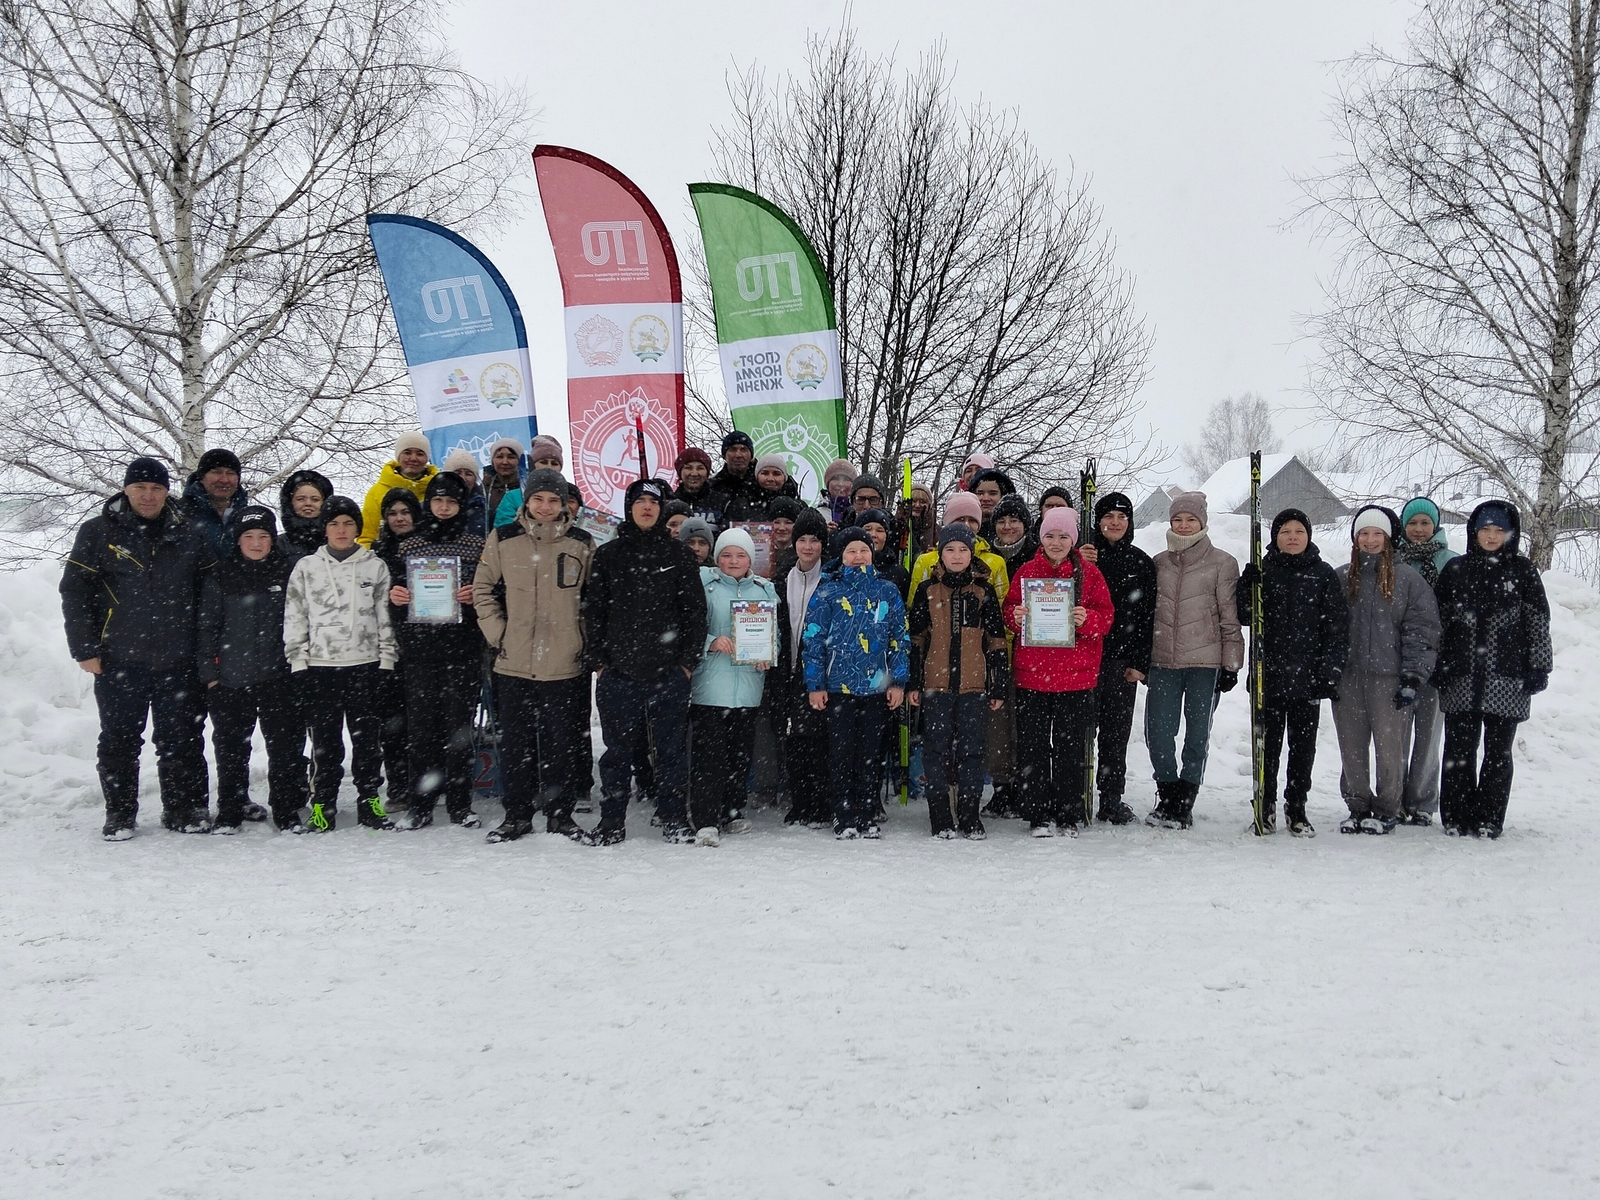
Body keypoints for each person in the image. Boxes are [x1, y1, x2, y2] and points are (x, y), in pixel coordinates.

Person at [61, 457, 216, 839]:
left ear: (167, 492)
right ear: (126, 490)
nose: (148, 496)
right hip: (119, 659)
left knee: (181, 739)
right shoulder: (98, 532)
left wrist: (205, 648)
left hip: (178, 660)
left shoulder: (190, 533)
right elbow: (75, 591)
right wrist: (85, 649)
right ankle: (120, 814)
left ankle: (182, 809)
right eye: (140, 488)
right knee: (119, 741)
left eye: (156, 488)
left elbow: (210, 592)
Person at [472, 468, 594, 843]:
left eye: (553, 500)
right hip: (515, 661)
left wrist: (583, 642)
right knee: (517, 745)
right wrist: (500, 635)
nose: (545, 506)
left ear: (564, 505)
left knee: (562, 744)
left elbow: (594, 600)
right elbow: (482, 589)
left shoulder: (581, 542)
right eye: (539, 499)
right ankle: (517, 815)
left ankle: (561, 815)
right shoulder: (504, 538)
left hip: (564, 662)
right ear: (527, 501)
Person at [584, 478, 708, 845]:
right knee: (617, 754)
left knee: (670, 752)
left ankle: (673, 818)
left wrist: (686, 663)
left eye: (653, 502)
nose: (647, 507)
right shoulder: (608, 556)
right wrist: (600, 662)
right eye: (640, 501)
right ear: (630, 507)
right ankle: (611, 823)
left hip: (669, 673)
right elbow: (592, 613)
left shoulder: (678, 556)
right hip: (619, 672)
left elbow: (694, 615)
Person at [1433, 501, 1551, 839]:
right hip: (1461, 675)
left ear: (1510, 534)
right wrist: (1438, 663)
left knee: (1498, 753)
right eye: (1486, 529)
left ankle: (1489, 817)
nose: (1491, 535)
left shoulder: (1523, 571)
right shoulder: (1456, 569)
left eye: (1499, 530)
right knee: (1459, 751)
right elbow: (1438, 623)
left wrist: (1539, 666)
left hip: (1507, 677)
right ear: (1474, 531)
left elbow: (1538, 622)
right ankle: (1456, 816)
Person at [284, 496, 399, 832]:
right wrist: (298, 660)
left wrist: (387, 658)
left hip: (365, 664)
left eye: (348, 523)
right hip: (320, 668)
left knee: (367, 742)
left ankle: (369, 801)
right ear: (325, 528)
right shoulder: (306, 567)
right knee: (325, 745)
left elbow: (384, 616)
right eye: (334, 523)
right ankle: (323, 805)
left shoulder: (374, 566)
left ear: (357, 528)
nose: (341, 530)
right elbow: (295, 614)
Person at [1233, 508, 1347, 836]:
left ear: (1309, 536)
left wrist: (1329, 672)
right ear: (1275, 537)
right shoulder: (1264, 571)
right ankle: (1265, 804)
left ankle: (1296, 807)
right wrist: (1247, 585)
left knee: (1302, 749)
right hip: (1267, 676)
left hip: (1307, 680)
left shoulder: (1323, 574)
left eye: (1299, 531)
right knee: (1266, 746)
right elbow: (1244, 615)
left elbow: (1336, 628)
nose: (1292, 537)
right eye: (1285, 532)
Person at [1002, 506, 1115, 836]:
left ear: (1073, 539)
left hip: (1075, 677)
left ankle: (1068, 812)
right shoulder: (1026, 573)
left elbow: (1106, 617)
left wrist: (1086, 620)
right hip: (1032, 674)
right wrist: (1016, 616)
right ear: (1041, 537)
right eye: (1050, 535)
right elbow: (1009, 610)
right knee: (1033, 748)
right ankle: (1038, 813)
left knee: (1070, 749)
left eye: (1063, 536)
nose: (1056, 542)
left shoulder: (1089, 575)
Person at [196, 506, 308, 833]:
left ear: (273, 540)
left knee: (285, 749)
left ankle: (286, 810)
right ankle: (229, 811)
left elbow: (302, 622)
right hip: (230, 681)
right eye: (249, 536)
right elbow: (207, 627)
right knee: (231, 751)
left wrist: (298, 668)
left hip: (279, 678)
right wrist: (211, 675)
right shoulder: (221, 574)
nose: (256, 543)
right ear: (238, 540)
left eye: (263, 536)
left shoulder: (290, 573)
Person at [385, 472, 486, 830]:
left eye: (452, 501)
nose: (444, 508)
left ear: (462, 505)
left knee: (459, 731)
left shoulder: (477, 545)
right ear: (428, 504)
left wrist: (474, 599)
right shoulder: (408, 545)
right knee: (422, 732)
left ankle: (460, 804)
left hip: (462, 649)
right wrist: (398, 599)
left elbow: (493, 593)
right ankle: (421, 804)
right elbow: (394, 594)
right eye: (438, 501)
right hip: (421, 651)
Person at [1331, 506, 1441, 835]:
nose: (1370, 540)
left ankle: (1388, 807)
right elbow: (1328, 628)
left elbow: (1422, 630)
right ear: (1355, 538)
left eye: (1377, 534)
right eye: (1363, 533)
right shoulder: (1341, 577)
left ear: (1388, 538)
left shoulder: (1407, 579)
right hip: (1349, 677)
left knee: (1389, 746)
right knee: (1351, 745)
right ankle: (1357, 804)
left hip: (1389, 678)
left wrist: (1412, 676)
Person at [1144, 492, 1244, 829]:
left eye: (1191, 519)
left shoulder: (1222, 563)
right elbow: (1146, 616)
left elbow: (1229, 617)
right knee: (1158, 732)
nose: (1184, 526)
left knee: (1197, 734)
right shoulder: (1157, 563)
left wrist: (1231, 663)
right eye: (1178, 520)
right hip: (1162, 662)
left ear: (1202, 522)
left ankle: (1185, 800)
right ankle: (1167, 792)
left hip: (1205, 663)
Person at [802, 527, 909, 839]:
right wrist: (815, 684)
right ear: (841, 556)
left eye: (863, 550)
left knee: (870, 754)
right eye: (851, 551)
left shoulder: (887, 591)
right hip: (838, 689)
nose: (858, 555)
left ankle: (866, 811)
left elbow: (899, 639)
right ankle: (843, 814)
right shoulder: (827, 591)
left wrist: (898, 681)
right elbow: (813, 640)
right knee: (841, 753)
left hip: (876, 689)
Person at [908, 523, 1009, 838]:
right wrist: (913, 682)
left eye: (963, 549)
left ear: (971, 554)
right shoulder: (927, 591)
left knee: (972, 751)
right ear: (940, 553)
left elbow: (995, 641)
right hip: (935, 686)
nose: (956, 555)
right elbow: (916, 640)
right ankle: (940, 816)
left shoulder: (984, 590)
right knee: (934, 751)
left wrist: (999, 684)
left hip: (974, 687)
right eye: (950, 549)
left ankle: (969, 815)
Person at [687, 527, 779, 846]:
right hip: (711, 688)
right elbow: (687, 628)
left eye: (741, 555)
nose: (734, 560)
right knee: (709, 757)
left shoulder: (764, 590)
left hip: (748, 690)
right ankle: (705, 818)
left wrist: (768, 655)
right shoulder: (704, 585)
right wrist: (711, 642)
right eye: (727, 554)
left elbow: (775, 635)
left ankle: (732, 811)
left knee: (740, 756)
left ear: (750, 559)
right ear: (717, 558)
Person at [1076, 492, 1157, 825]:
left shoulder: (1142, 562)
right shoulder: (1082, 558)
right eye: (1108, 516)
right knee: (1079, 730)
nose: (1114, 523)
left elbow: (1147, 617)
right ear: (1097, 522)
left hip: (1120, 661)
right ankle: (1077, 792)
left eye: (1121, 517)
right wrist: (1079, 563)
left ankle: (1111, 797)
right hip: (1083, 657)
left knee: (1115, 732)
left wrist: (1140, 662)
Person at [1393, 496, 1459, 824]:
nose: (1419, 530)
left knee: (1429, 736)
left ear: (1435, 526)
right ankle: (1396, 797)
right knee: (1397, 734)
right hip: (1399, 661)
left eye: (1425, 523)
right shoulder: (1393, 559)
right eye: (1412, 523)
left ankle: (1421, 801)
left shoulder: (1451, 562)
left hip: (1439, 662)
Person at [772, 509, 832, 826]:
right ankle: (800, 802)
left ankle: (821, 803)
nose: (808, 546)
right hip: (788, 671)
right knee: (794, 739)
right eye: (803, 540)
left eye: (815, 540)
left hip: (821, 673)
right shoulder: (781, 578)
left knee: (819, 740)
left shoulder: (832, 579)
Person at [370, 489, 423, 816]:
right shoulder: (375, 555)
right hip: (387, 649)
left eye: (406, 511)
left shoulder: (429, 548)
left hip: (423, 646)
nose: (400, 518)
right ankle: (399, 786)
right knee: (392, 725)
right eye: (393, 513)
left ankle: (427, 783)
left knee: (422, 723)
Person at [908, 493, 1010, 605]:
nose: (966, 525)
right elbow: (915, 606)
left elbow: (1001, 608)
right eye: (960, 519)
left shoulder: (996, 562)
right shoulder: (926, 561)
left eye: (972, 520)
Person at [360, 431, 438, 548]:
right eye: (407, 453)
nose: (413, 458)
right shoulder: (377, 492)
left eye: (420, 454)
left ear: (427, 458)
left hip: (427, 560)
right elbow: (366, 537)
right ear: (398, 456)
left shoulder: (437, 490)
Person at [180, 447, 251, 557]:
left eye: (230, 473)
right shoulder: (180, 514)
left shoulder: (249, 518)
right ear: (201, 477)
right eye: (217, 472)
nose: (224, 480)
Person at [724, 453, 800, 523]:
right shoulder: (739, 506)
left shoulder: (798, 506)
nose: (770, 478)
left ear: (784, 478)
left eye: (776, 474)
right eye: (765, 473)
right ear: (757, 476)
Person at [277, 469, 333, 564]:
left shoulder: (336, 543)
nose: (308, 504)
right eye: (301, 499)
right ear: (290, 503)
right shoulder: (277, 545)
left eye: (315, 499)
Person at [856, 507, 911, 599]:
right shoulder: (844, 566)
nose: (873, 535)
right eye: (868, 529)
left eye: (879, 530)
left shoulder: (898, 573)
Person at [671, 447, 728, 531]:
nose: (694, 473)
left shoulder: (722, 502)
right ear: (680, 472)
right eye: (688, 468)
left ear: (707, 473)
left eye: (700, 468)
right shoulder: (670, 503)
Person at [441, 448, 487, 535]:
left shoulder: (486, 509)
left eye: (468, 474)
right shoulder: (435, 506)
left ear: (475, 479)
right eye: (457, 473)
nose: (463, 478)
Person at [709, 430, 761, 507]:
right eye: (733, 450)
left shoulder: (764, 483)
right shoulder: (712, 487)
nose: (738, 455)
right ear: (724, 456)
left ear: (751, 456)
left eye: (743, 450)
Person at [483, 438, 525, 531]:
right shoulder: (483, 490)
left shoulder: (527, 489)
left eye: (511, 457)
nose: (505, 462)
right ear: (492, 461)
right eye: (499, 457)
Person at [967, 468, 1019, 540]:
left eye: (992, 493)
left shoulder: (1014, 531)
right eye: (980, 493)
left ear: (1003, 496)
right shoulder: (964, 528)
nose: (986, 498)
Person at [820, 458, 857, 526]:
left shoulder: (859, 512)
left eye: (846, 479)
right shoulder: (817, 514)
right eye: (836, 478)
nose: (840, 484)